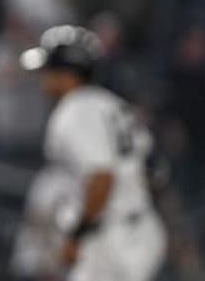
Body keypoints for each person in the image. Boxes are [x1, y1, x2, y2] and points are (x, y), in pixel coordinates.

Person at [20, 25, 166, 281]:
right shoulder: (112, 104)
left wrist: (77, 235)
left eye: (50, 70)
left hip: (110, 241)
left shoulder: (74, 111)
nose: (44, 77)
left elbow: (102, 177)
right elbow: (156, 171)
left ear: (68, 72)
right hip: (140, 230)